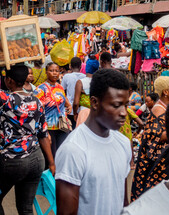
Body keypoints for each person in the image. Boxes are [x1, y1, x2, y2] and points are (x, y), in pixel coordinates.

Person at [0, 34, 55, 215]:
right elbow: (43, 135)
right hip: (36, 159)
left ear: (10, 81)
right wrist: (51, 163)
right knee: (25, 207)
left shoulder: (6, 99)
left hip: (13, 161)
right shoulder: (37, 101)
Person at [56, 69, 133, 215]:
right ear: (95, 102)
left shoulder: (123, 143)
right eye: (116, 105)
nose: (123, 112)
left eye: (125, 105)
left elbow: (122, 201)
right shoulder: (73, 150)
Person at [131, 76, 169, 199]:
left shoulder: (164, 107)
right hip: (157, 160)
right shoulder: (159, 110)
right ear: (166, 92)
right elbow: (159, 136)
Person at [36, 62, 71, 157]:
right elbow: (37, 110)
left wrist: (69, 105)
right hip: (49, 127)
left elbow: (64, 98)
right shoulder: (41, 89)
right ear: (46, 72)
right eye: (51, 71)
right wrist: (45, 131)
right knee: (53, 155)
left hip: (62, 125)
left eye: (56, 71)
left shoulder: (60, 87)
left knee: (63, 152)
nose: (55, 73)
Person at [72, 58, 99, 127]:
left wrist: (75, 113)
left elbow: (76, 102)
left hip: (83, 112)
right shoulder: (100, 83)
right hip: (97, 114)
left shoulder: (80, 82)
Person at [61, 57, 85, 127]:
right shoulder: (84, 77)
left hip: (70, 109)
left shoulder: (66, 77)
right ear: (80, 67)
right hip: (81, 109)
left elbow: (62, 91)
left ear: (70, 66)